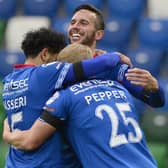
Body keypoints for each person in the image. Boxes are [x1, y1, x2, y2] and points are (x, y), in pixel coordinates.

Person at [3, 43, 160, 167]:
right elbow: (157, 100)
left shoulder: (63, 98)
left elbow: (31, 141)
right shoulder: (118, 87)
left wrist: (8, 135)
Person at [67, 4, 163, 111]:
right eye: (72, 22)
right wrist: (115, 56)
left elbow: (156, 102)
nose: (75, 26)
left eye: (83, 23)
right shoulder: (56, 62)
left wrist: (155, 88)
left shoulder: (114, 69)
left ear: (98, 35)